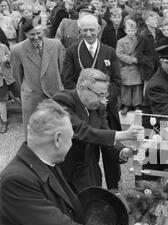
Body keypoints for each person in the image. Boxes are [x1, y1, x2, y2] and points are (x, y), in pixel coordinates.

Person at [0, 101, 113, 225]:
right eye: (71, 139)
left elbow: (71, 207)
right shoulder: (17, 180)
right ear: (58, 139)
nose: (72, 143)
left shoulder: (43, 164)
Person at [53, 68, 142, 193]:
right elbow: (80, 131)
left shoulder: (97, 107)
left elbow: (104, 134)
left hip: (90, 172)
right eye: (100, 95)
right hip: (64, 173)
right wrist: (125, 134)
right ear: (83, 88)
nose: (102, 100)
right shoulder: (62, 100)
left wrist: (124, 151)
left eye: (105, 95)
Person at [61, 13, 122, 191]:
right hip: (84, 112)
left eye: (92, 29)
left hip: (107, 109)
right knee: (89, 153)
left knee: (111, 152)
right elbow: (68, 81)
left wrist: (102, 98)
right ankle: (93, 190)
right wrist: (86, 100)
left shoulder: (109, 51)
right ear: (80, 30)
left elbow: (117, 82)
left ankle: (114, 190)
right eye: (85, 30)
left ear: (99, 29)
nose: (88, 33)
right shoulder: (73, 51)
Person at [10, 16, 63, 136]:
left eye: (38, 33)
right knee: (34, 133)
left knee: (54, 131)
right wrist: (26, 94)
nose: (36, 37)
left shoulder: (56, 45)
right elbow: (17, 77)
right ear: (25, 34)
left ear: (43, 30)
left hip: (54, 95)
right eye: (31, 35)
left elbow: (61, 70)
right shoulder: (17, 50)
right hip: (32, 99)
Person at [116, 18, 143, 114]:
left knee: (137, 87)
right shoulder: (121, 41)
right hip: (126, 67)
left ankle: (137, 105)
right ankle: (126, 105)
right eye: (129, 30)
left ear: (136, 30)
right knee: (126, 88)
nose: (131, 32)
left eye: (133, 30)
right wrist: (131, 60)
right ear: (125, 31)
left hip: (137, 67)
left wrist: (140, 59)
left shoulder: (140, 40)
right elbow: (119, 54)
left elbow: (143, 51)